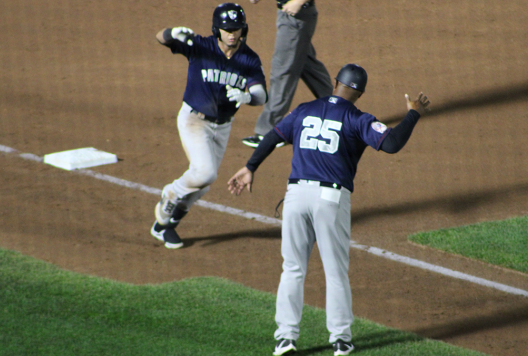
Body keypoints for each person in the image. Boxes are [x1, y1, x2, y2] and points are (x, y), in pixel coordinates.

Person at [227, 64, 430, 356]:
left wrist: (250, 167)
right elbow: (393, 144)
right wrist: (414, 113)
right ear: (359, 93)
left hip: (296, 196)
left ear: (335, 83)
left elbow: (272, 137)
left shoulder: (304, 109)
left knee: (292, 269)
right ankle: (341, 340)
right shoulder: (358, 118)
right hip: (330, 199)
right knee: (335, 272)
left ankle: (285, 339)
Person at [152, 3, 267, 249]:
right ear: (217, 29)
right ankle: (171, 192)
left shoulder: (249, 58)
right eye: (227, 29)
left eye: (236, 28)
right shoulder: (200, 46)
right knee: (205, 173)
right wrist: (172, 33)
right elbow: (160, 37)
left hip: (223, 126)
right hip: (194, 119)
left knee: (203, 186)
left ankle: (164, 226)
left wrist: (249, 97)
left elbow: (261, 93)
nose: (232, 33)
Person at [241, 0, 333, 148]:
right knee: (306, 64)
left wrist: (299, 1)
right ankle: (340, 106)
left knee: (282, 72)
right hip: (293, 16)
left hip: (296, 16)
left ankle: (269, 130)